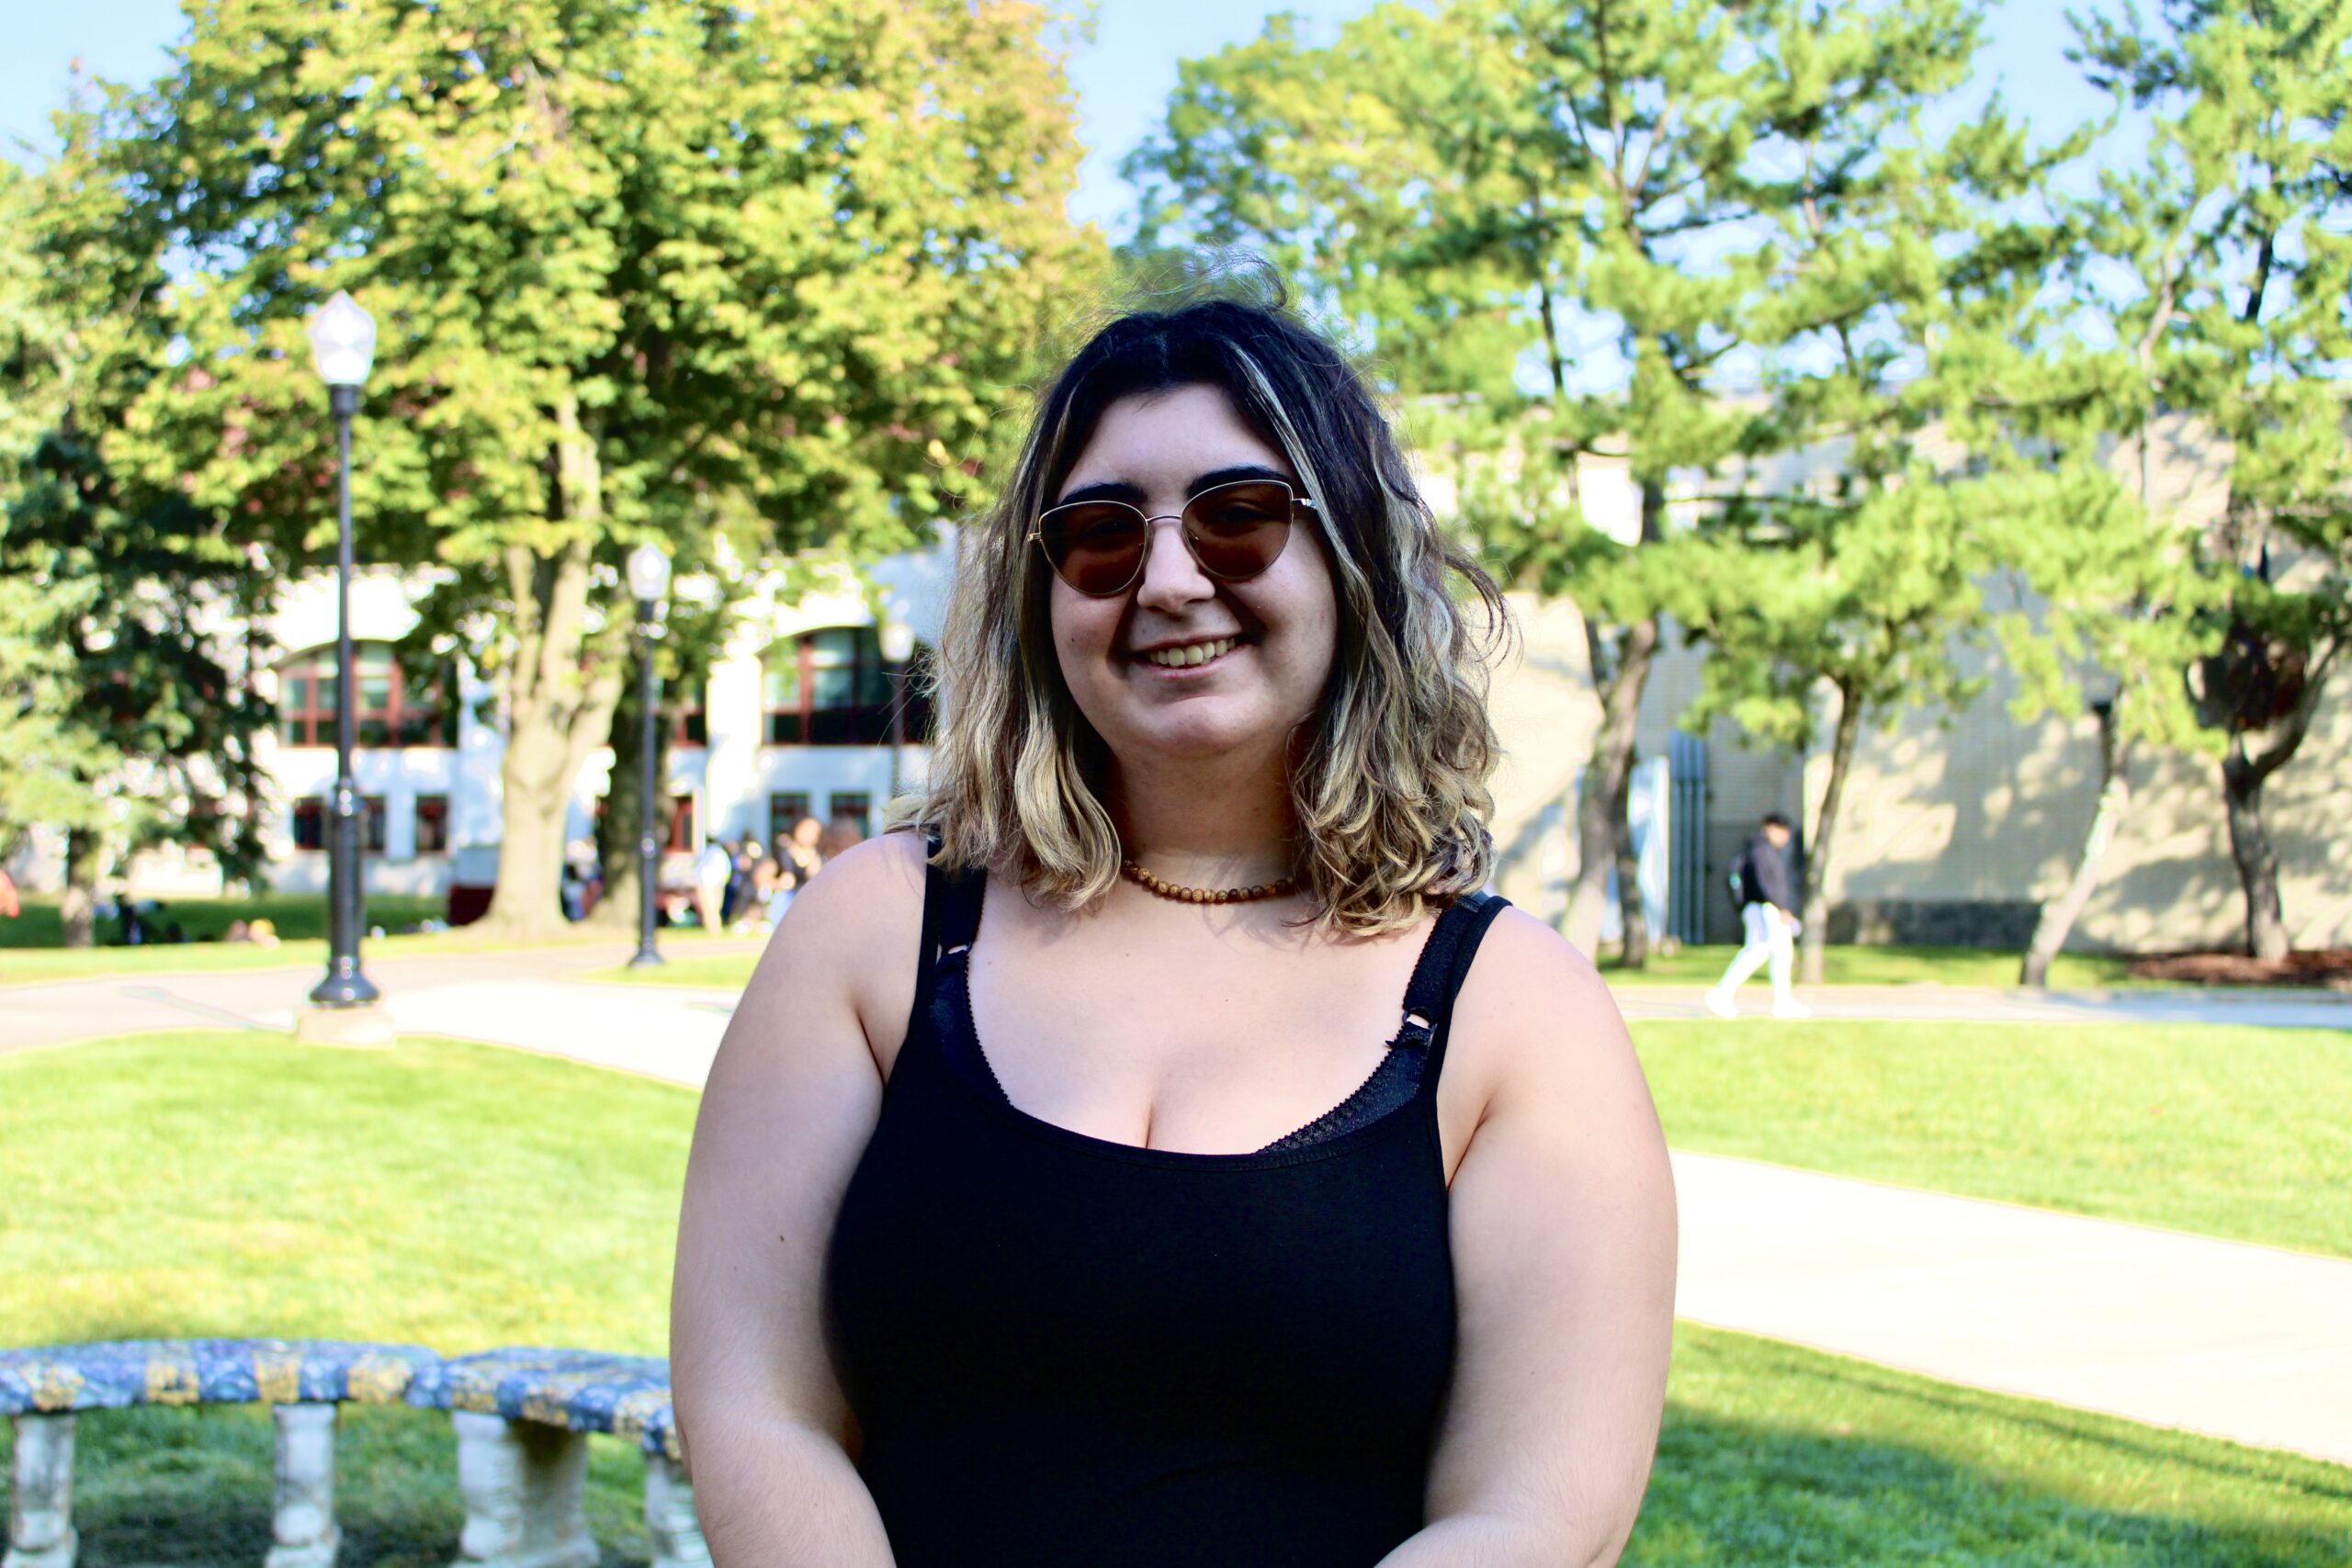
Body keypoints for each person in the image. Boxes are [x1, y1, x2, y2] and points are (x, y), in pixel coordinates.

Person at [671, 288, 1678, 1567]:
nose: (1169, 576)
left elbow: (1538, 1507)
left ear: (1351, 556)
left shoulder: (1512, 1008)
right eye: (1099, 534)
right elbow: (755, 1403)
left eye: (1240, 515)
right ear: (1045, 593)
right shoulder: (875, 930)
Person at [1705, 811, 1812, 1020]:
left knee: (1763, 952)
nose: (1785, 837)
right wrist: (1781, 907)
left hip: (1763, 908)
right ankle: (1778, 1002)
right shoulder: (1761, 851)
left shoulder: (1759, 850)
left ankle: (1726, 994)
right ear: (1771, 828)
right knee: (1773, 953)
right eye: (1783, 832)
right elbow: (1766, 884)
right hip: (1765, 908)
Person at [693, 835, 732, 932]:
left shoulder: (707, 853)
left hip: (706, 884)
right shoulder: (721, 853)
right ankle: (715, 928)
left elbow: (700, 869)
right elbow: (727, 870)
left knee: (709, 909)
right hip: (718, 883)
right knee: (715, 908)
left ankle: (712, 929)